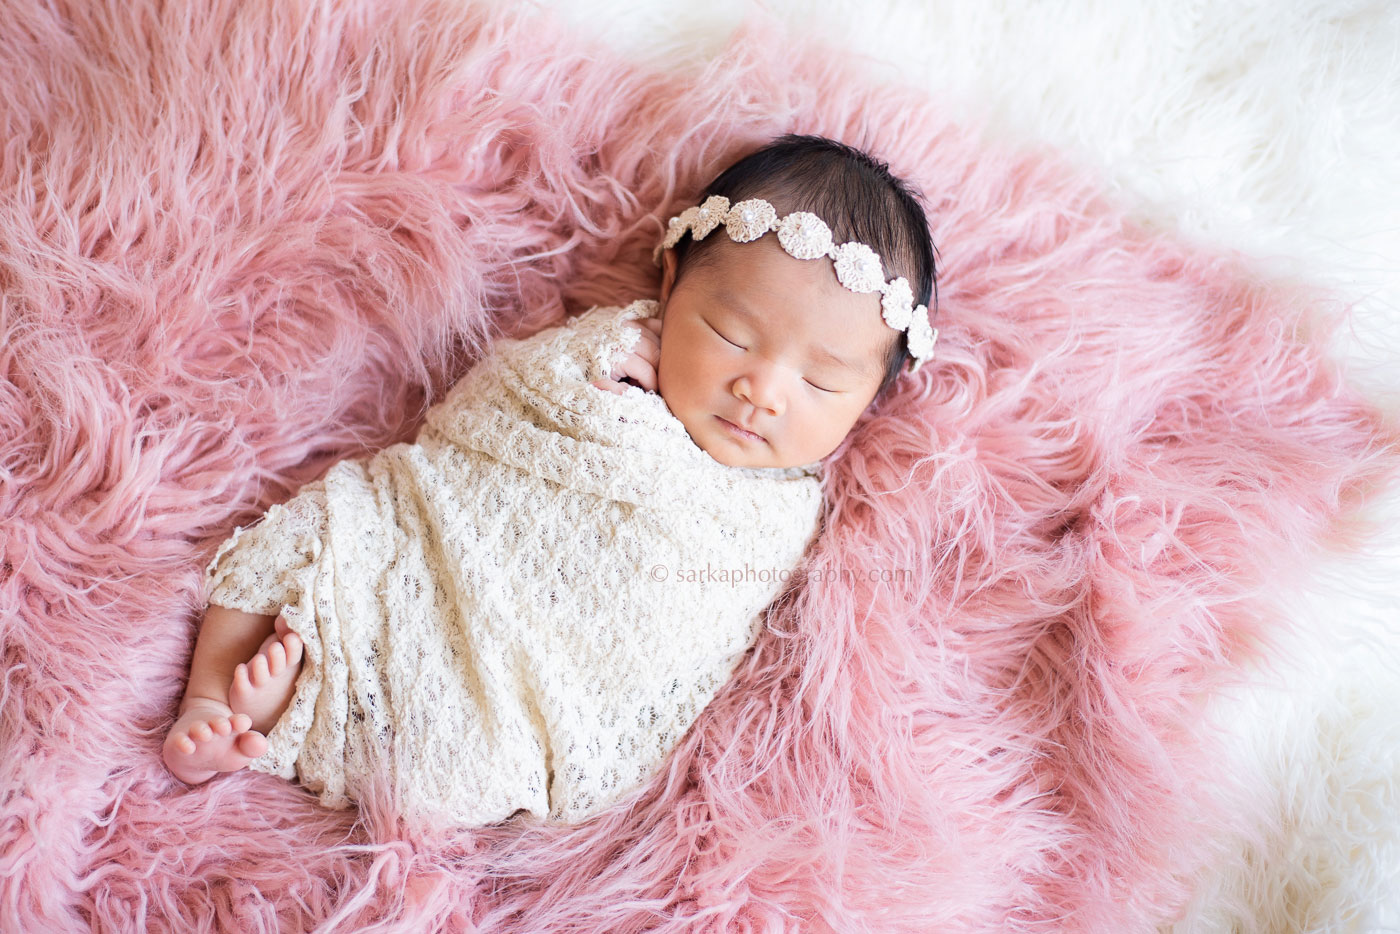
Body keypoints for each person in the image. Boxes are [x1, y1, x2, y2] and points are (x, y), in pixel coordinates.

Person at [161, 134, 940, 826]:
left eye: (821, 382)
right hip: (423, 547)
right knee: (313, 531)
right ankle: (214, 701)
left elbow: (689, 628)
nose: (762, 390)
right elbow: (478, 420)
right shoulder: (602, 361)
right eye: (730, 334)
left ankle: (309, 703)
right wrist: (586, 384)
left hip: (531, 692)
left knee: (466, 750)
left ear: (871, 398)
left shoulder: (781, 514)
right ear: (672, 284)